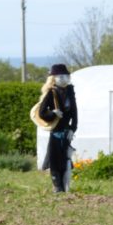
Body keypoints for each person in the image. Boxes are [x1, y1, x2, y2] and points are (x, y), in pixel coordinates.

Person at [39, 63, 78, 192]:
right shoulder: (51, 92)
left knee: (65, 159)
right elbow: (42, 112)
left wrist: (73, 128)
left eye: (66, 76)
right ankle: (57, 187)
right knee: (54, 159)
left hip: (67, 132)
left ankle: (65, 185)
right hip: (55, 132)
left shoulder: (70, 91)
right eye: (60, 76)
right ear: (53, 78)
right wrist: (53, 113)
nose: (64, 79)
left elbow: (74, 113)